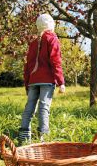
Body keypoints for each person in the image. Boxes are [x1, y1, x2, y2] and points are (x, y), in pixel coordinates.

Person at [18, 13, 65, 143]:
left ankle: (23, 138)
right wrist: (61, 82)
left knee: (29, 108)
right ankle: (43, 139)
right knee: (44, 107)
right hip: (47, 80)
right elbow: (55, 60)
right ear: (51, 25)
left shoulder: (33, 42)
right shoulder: (52, 39)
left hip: (33, 80)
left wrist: (27, 83)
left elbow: (28, 65)